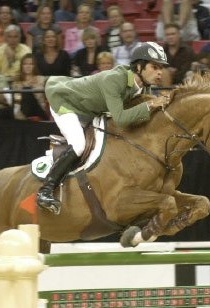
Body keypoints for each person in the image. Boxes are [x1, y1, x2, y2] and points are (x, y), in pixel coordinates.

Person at [36, 41, 170, 214]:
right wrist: (151, 105)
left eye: (161, 68)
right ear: (139, 67)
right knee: (79, 145)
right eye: (155, 67)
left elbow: (139, 117)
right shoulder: (115, 79)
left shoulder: (145, 87)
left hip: (91, 110)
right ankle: (45, 190)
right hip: (65, 103)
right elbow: (121, 119)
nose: (160, 72)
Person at [11, 52, 49, 120]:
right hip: (19, 108)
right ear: (21, 66)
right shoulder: (16, 82)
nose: (28, 66)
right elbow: (15, 101)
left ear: (34, 66)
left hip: (38, 108)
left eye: (31, 64)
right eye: (25, 64)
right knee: (2, 112)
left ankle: (22, 121)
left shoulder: (41, 79)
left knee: (27, 90)